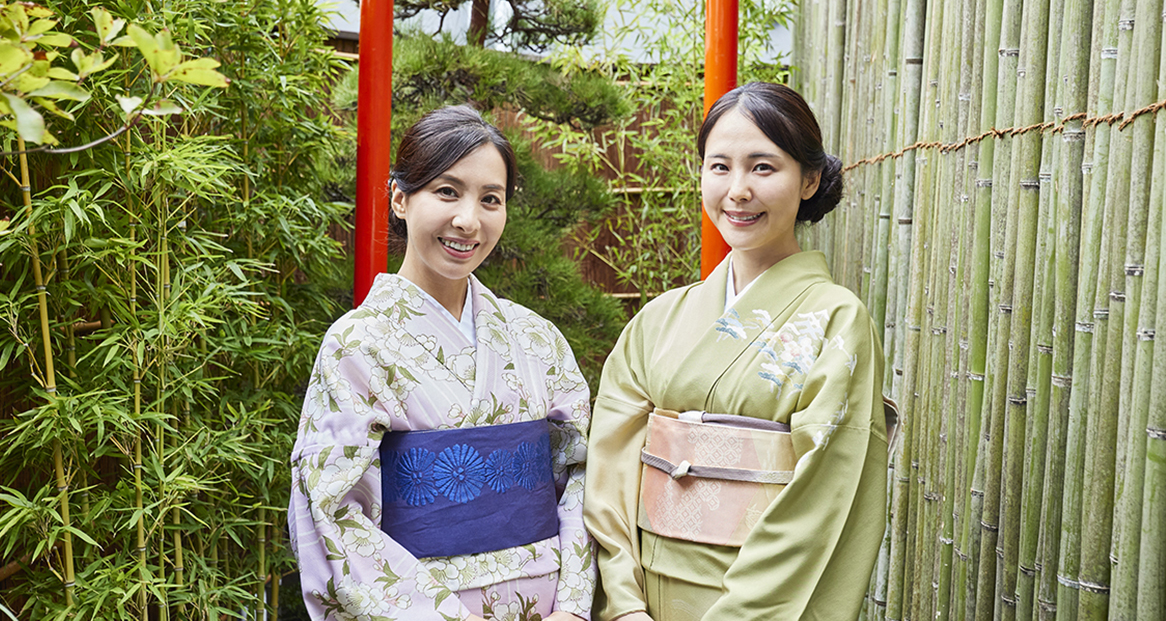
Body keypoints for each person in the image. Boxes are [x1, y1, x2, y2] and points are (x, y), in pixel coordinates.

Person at [584, 82, 892, 621]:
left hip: (762, 603)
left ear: (810, 180)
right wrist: (625, 607)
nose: (737, 190)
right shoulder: (656, 322)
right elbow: (609, 473)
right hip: (646, 602)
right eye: (719, 166)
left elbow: (824, 498)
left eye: (763, 167)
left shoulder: (838, 321)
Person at [289, 105, 594, 621]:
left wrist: (573, 606)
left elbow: (585, 475)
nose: (468, 220)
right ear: (401, 198)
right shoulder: (357, 345)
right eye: (447, 192)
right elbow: (335, 513)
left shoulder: (537, 338)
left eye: (490, 199)